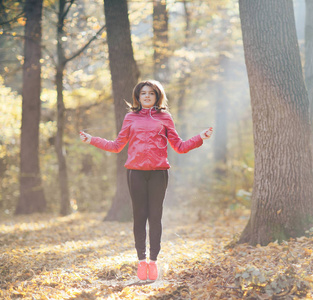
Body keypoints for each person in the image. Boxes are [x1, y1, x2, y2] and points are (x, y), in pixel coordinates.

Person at [79, 80, 213, 281]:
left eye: (151, 93)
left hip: (159, 173)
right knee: (140, 216)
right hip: (136, 172)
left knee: (155, 217)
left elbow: (180, 146)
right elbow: (116, 146)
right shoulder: (130, 117)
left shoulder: (165, 117)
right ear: (138, 97)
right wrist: (92, 140)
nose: (147, 96)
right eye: (144, 93)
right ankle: (141, 262)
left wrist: (200, 137)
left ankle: (154, 261)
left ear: (157, 96)